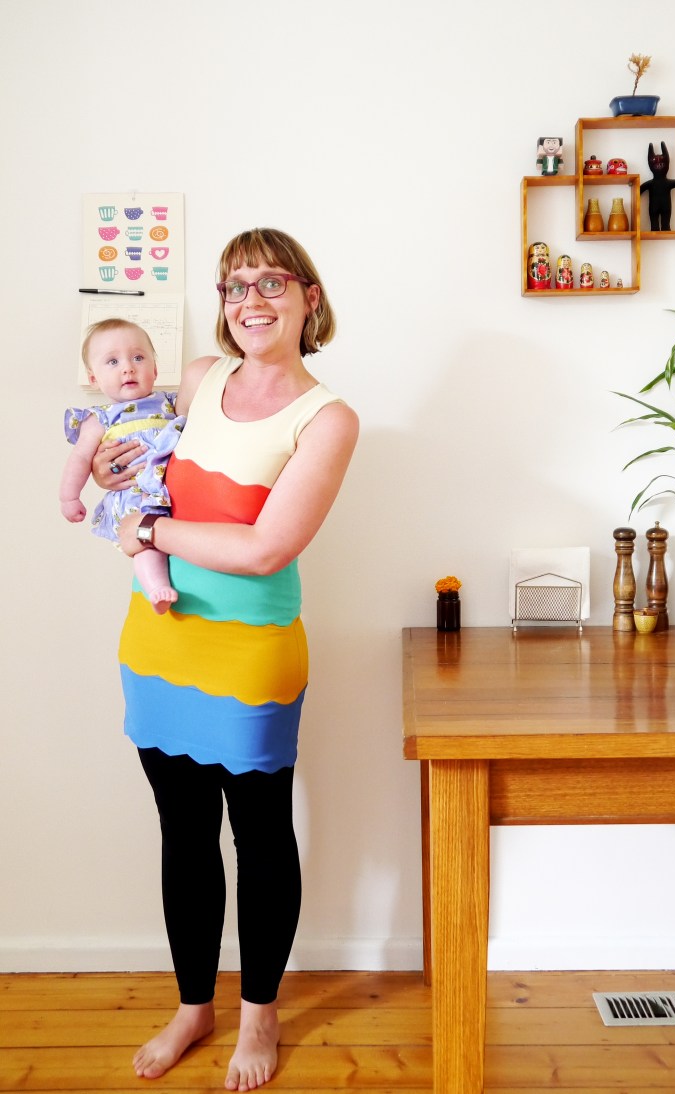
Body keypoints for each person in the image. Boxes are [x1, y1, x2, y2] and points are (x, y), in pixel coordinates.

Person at [92, 228, 359, 1090]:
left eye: (271, 282)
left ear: (309, 297)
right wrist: (110, 472)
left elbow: (263, 549)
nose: (251, 300)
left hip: (251, 655)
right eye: (235, 285)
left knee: (261, 836)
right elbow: (141, 462)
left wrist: (148, 530)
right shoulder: (200, 379)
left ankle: (260, 1014)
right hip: (158, 639)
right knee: (183, 833)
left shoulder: (327, 418)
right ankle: (193, 1006)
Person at [60, 319, 184, 614]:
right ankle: (156, 588)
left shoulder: (170, 403)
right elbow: (80, 458)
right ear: (94, 378)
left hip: (174, 493)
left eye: (138, 358)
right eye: (113, 361)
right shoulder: (100, 418)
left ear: (155, 370)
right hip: (136, 495)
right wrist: (69, 497)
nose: (128, 368)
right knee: (146, 541)